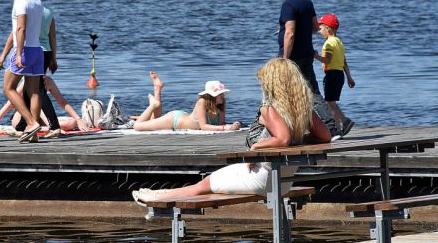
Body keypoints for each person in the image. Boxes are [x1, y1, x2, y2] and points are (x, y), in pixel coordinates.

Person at [132, 58, 331, 205]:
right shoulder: (302, 108)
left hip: (262, 178)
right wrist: (300, 139)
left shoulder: (269, 108)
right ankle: (161, 193)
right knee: (211, 180)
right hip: (284, 180)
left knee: (204, 185)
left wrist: (256, 147)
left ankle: (156, 197)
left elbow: (283, 138)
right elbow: (324, 136)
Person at [277, 0, 339, 137]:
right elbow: (314, 27)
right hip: (307, 53)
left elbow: (289, 32)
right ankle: (331, 128)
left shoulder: (288, 4)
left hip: (292, 56)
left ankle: (285, 129)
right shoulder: (307, 1)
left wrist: (284, 59)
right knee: (313, 92)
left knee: (281, 91)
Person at [0, 0, 44, 142]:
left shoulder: (20, 1)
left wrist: (17, 54)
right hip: (36, 50)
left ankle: (31, 123)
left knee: (8, 88)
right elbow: (19, 29)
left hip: (23, 50)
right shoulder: (37, 0)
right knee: (34, 92)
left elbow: (21, 28)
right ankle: (34, 136)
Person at [133, 72, 241, 132]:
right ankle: (153, 105)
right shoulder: (202, 102)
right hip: (174, 121)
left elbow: (221, 123)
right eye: (220, 94)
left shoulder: (221, 103)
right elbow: (204, 127)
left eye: (222, 94)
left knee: (154, 120)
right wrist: (225, 128)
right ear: (211, 96)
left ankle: (157, 89)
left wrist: (232, 126)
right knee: (137, 126)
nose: (222, 96)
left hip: (184, 117)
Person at [0, 76, 90, 135]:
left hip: (40, 118)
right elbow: (9, 104)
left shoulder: (48, 81)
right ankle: (50, 128)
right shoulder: (27, 81)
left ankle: (46, 128)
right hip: (21, 118)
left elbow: (62, 102)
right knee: (37, 102)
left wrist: (78, 119)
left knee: (71, 122)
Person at [27, 0, 60, 131]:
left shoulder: (28, 10)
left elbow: (18, 32)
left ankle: (54, 125)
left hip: (33, 50)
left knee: (38, 89)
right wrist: (54, 58)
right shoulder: (48, 12)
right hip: (46, 51)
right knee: (32, 87)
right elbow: (52, 37)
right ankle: (24, 123)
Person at [314, 13, 356, 136]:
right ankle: (337, 131)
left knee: (330, 103)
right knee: (332, 103)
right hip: (340, 75)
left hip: (331, 75)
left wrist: (316, 56)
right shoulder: (339, 43)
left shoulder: (328, 43)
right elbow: (344, 62)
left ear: (328, 28)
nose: (319, 31)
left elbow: (327, 60)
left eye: (321, 28)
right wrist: (349, 77)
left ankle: (345, 121)